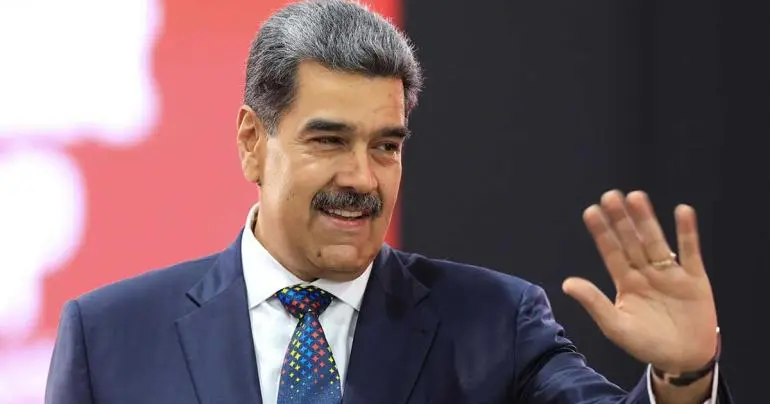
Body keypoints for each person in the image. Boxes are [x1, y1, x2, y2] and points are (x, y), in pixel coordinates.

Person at [44, 0, 732, 403]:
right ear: (253, 142)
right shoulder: (108, 338)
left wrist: (684, 379)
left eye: (385, 146)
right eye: (329, 140)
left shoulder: (494, 323)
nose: (363, 178)